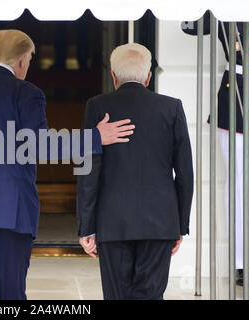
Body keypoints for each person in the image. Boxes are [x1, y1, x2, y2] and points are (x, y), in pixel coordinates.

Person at [0, 29, 135, 300]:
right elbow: (39, 146)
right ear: (23, 60)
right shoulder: (27, 93)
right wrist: (97, 137)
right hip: (9, 213)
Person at [77, 43, 194, 300]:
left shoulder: (97, 106)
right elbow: (185, 173)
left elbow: (88, 171)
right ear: (149, 76)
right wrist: (180, 225)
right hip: (160, 223)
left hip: (112, 222)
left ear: (113, 76)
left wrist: (86, 226)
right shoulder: (172, 107)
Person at [182, 13, 249, 286]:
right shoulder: (231, 7)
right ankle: (243, 263)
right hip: (235, 97)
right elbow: (191, 25)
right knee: (239, 184)